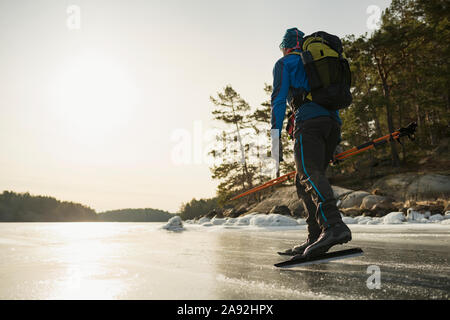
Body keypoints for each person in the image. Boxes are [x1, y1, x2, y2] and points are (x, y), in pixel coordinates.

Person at [271, 27, 352, 258]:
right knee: (303, 181)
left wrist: (274, 141)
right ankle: (315, 236)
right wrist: (336, 141)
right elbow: (328, 101)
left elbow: (277, 100)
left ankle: (334, 226)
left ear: (286, 47)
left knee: (308, 173)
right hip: (331, 124)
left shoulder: (285, 63)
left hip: (309, 124)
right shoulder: (315, 62)